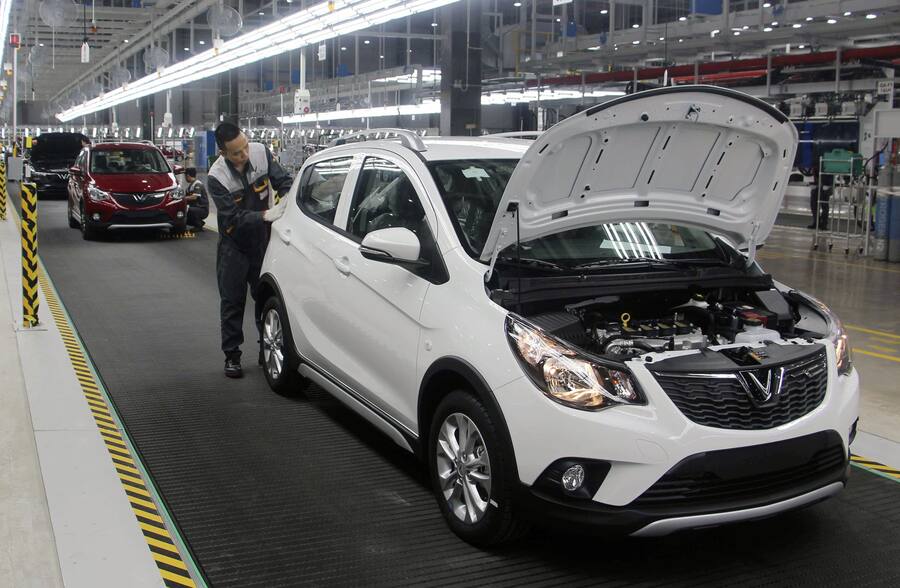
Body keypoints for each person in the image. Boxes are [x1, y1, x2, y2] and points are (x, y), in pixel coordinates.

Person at [207, 123, 292, 378]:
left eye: (245, 146)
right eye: (236, 152)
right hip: (233, 246)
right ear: (223, 153)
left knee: (265, 298)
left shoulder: (261, 153)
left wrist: (287, 200)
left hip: (262, 242)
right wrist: (266, 215)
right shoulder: (217, 177)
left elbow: (284, 182)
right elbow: (232, 217)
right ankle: (232, 356)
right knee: (232, 302)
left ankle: (266, 350)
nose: (244, 154)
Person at [184, 167, 209, 232]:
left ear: (188, 175)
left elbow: (194, 197)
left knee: (189, 210)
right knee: (184, 213)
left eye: (185, 176)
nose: (185, 178)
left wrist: (182, 198)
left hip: (202, 209)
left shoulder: (197, 184)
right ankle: (199, 223)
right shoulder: (190, 186)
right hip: (196, 208)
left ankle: (198, 226)